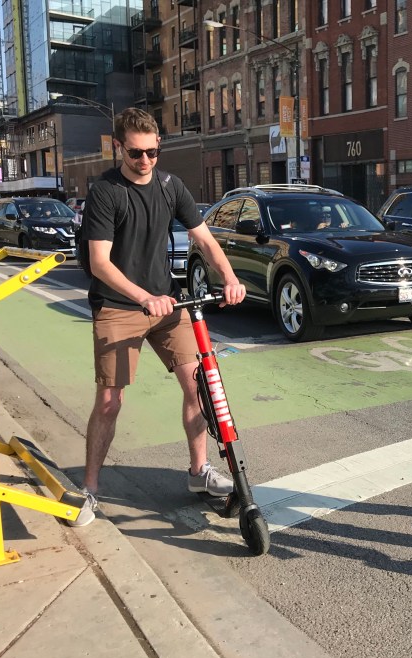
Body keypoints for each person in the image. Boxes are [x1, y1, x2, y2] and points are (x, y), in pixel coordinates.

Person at [73, 108, 246, 527]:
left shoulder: (171, 186)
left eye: (152, 152)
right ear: (119, 148)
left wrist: (231, 277)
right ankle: (90, 488)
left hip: (168, 305)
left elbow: (205, 239)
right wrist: (142, 296)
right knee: (111, 401)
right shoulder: (106, 192)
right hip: (118, 306)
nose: (145, 161)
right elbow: (99, 262)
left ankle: (198, 471)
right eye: (135, 153)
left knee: (199, 386)